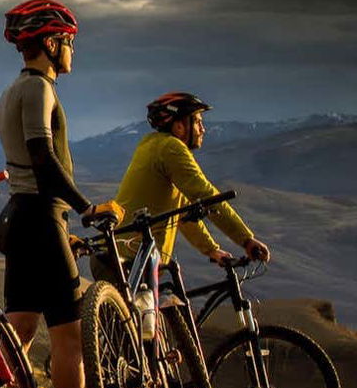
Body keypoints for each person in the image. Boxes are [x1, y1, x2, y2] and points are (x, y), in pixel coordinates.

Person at [0, 0, 123, 388]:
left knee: (19, 336)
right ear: (51, 44)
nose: (72, 51)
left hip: (22, 220)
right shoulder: (39, 92)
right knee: (68, 339)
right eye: (68, 42)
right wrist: (85, 207)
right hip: (40, 217)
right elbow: (42, 158)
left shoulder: (11, 92)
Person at [92, 92, 272, 284]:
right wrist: (246, 240)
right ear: (179, 126)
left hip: (113, 256)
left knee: (157, 308)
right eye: (197, 122)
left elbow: (185, 213)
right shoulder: (171, 148)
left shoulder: (152, 145)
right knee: (146, 311)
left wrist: (211, 250)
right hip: (130, 260)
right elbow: (206, 194)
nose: (203, 129)